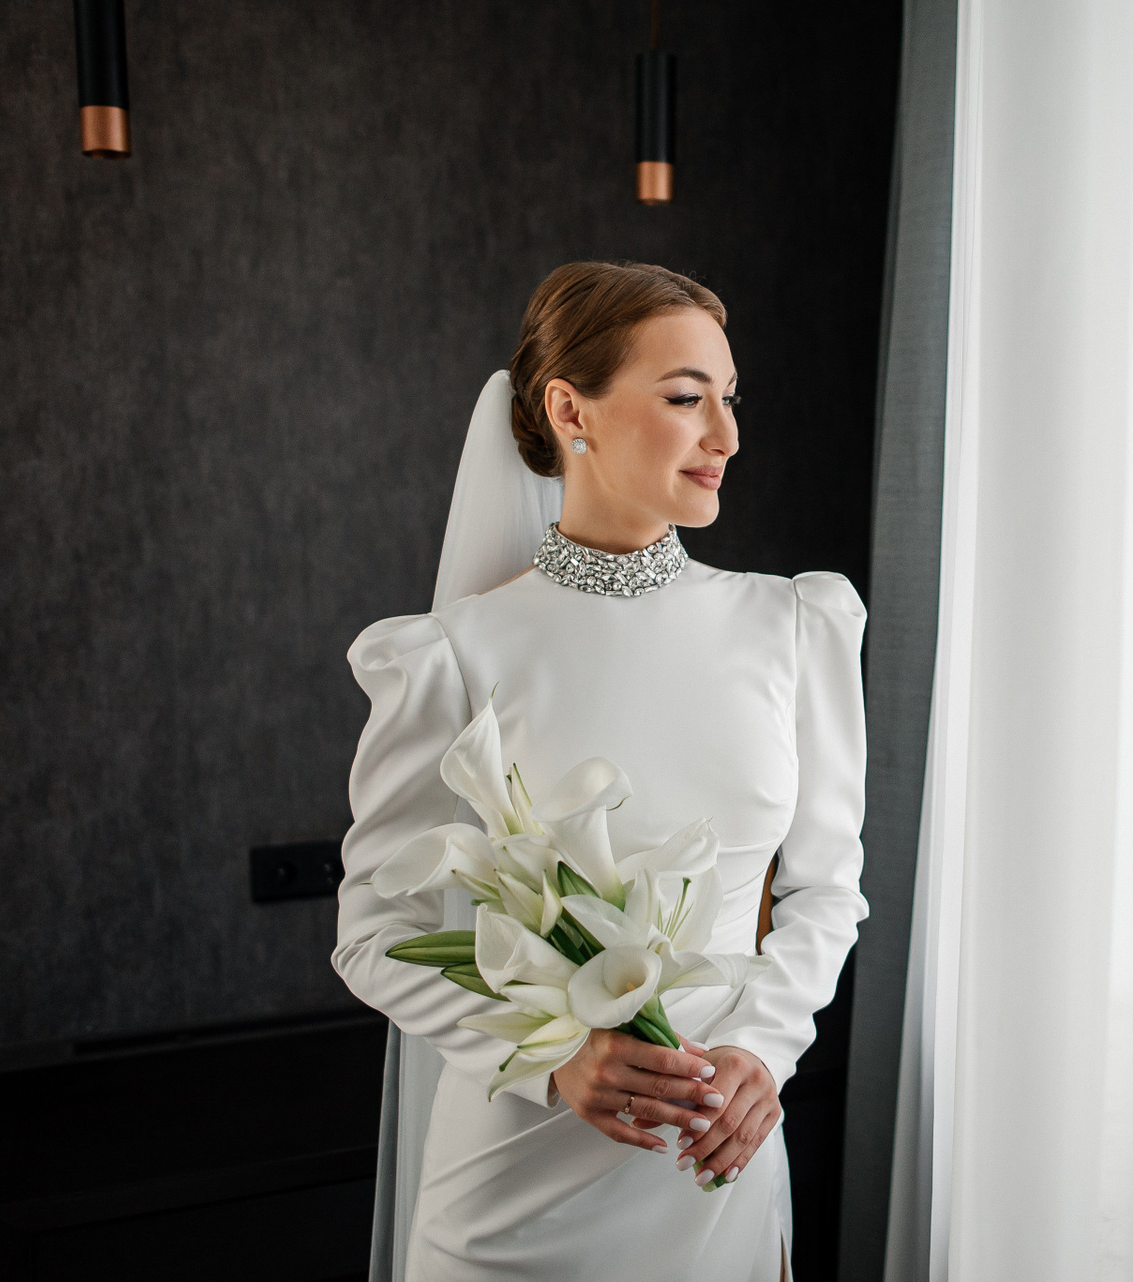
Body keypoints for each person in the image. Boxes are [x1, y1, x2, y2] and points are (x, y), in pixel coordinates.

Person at [333, 262, 867, 1280]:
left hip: (715, 1153)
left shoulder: (796, 626)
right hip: (514, 1194)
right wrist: (553, 1058)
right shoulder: (450, 656)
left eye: (731, 398)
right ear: (570, 410)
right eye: (687, 398)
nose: (727, 435)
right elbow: (373, 931)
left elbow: (825, 887)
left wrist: (764, 1048)